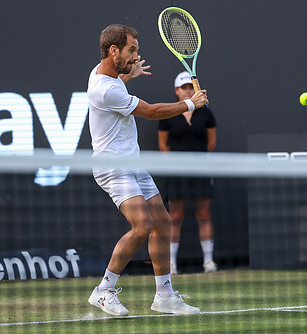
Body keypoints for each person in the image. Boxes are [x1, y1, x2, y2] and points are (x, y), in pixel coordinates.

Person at [86, 24, 208, 316]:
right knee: (142, 225)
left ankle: (164, 296)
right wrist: (190, 103)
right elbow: (152, 112)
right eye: (131, 50)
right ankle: (103, 290)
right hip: (112, 167)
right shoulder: (105, 89)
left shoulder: (106, 73)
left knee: (163, 223)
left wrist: (129, 75)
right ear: (113, 50)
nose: (136, 55)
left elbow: (119, 81)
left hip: (132, 163)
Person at [158, 72, 218, 275]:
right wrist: (178, 165)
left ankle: (208, 262)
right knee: (175, 217)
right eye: (183, 87)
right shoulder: (168, 114)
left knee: (204, 214)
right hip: (177, 173)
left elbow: (211, 143)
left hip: (201, 171)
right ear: (176, 91)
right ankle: (172, 264)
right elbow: (163, 145)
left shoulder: (206, 113)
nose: (188, 90)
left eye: (190, 87)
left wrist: (197, 163)